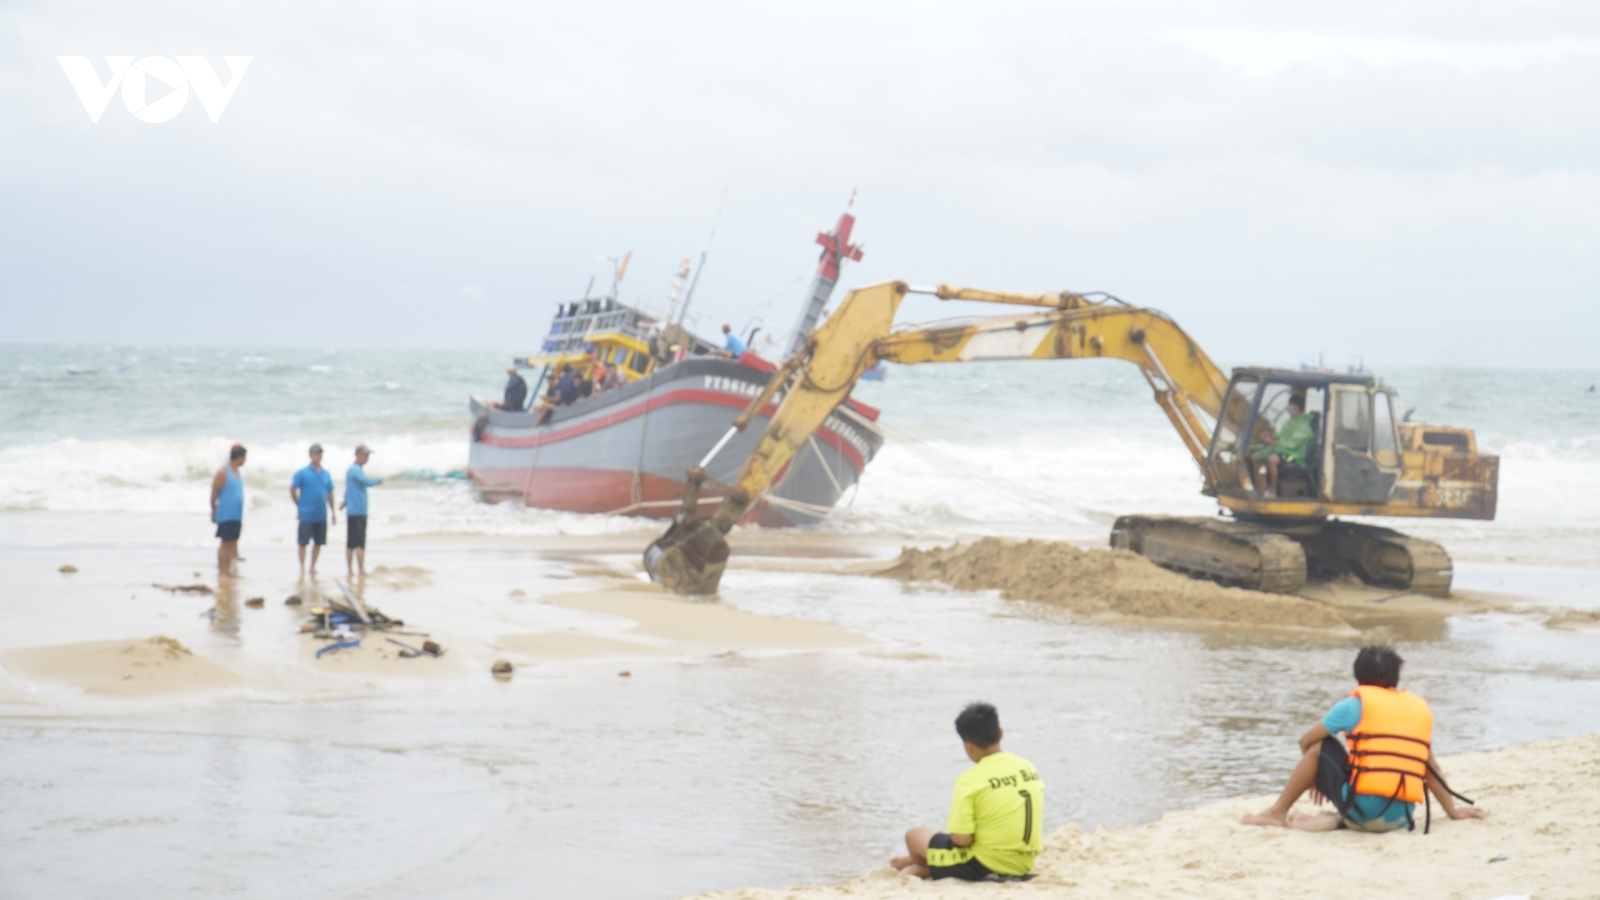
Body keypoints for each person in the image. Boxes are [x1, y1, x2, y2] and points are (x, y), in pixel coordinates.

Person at [1243, 645, 1486, 833]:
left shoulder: (1353, 706)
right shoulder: (1418, 709)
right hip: (1402, 818)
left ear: (1359, 678)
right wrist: (1452, 810)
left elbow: (1306, 741)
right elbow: (1430, 767)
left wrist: (1316, 777)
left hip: (1363, 812)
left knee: (1319, 746)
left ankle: (1277, 813)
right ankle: (1337, 820)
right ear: (1395, 679)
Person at [890, 703, 1044, 882]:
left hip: (985, 863)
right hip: (1024, 861)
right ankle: (920, 862)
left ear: (968, 746)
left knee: (914, 836)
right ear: (1001, 733)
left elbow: (961, 840)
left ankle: (922, 867)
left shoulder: (970, 780)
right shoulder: (1028, 767)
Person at [289, 443, 337, 579]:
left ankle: (312, 567)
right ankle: (302, 568)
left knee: (318, 542)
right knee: (303, 542)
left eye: (320, 453)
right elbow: (292, 489)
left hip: (321, 514)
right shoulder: (302, 473)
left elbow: (330, 493)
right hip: (306, 514)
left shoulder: (326, 473)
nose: (318, 456)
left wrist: (333, 512)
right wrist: (298, 504)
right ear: (310, 455)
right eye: (316, 453)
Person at [1251, 396, 1315, 497]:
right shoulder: (1289, 422)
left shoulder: (1303, 426)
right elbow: (1281, 436)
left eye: (1292, 405)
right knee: (1256, 456)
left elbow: (1292, 445)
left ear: (1298, 407)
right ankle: (1258, 488)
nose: (1290, 408)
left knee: (1272, 459)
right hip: (1282, 451)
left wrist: (1273, 442)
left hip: (1294, 456)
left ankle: (1273, 489)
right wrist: (1270, 435)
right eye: (1290, 405)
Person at [341, 444, 382, 578]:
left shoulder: (353, 470)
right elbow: (368, 482)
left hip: (354, 511)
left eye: (367, 455)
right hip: (357, 511)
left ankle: (351, 571)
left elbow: (348, 490)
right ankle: (360, 570)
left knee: (352, 543)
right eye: (364, 455)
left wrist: (344, 501)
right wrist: (379, 480)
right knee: (358, 543)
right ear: (357, 455)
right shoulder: (355, 470)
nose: (366, 458)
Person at [209, 443, 247, 578]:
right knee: (225, 543)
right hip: (225, 513)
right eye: (244, 457)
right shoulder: (223, 472)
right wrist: (213, 510)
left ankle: (227, 569)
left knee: (231, 543)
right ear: (239, 457)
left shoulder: (237, 472)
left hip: (236, 515)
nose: (245, 460)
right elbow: (214, 491)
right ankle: (222, 571)